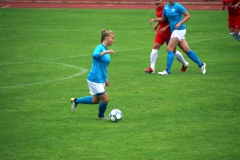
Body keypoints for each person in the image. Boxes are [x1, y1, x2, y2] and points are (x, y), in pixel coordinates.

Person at [149, 0, 206, 75]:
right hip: (174, 30)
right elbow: (163, 18)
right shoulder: (166, 7)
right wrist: (154, 20)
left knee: (169, 48)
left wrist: (180, 23)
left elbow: (188, 16)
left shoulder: (178, 6)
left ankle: (167, 71)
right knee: (186, 50)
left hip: (179, 30)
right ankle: (201, 65)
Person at [70, 29, 115, 119]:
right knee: (105, 100)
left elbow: (103, 66)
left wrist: (105, 78)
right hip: (95, 79)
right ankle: (101, 116)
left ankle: (75, 101)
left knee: (95, 100)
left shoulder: (106, 49)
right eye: (112, 38)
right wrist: (105, 52)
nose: (113, 40)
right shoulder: (99, 48)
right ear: (106, 38)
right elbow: (94, 55)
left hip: (101, 78)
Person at [144, 0, 189, 74]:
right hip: (161, 30)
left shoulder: (167, 7)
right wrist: (157, 25)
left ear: (162, 1)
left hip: (169, 31)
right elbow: (161, 18)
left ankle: (185, 63)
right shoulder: (157, 8)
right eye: (155, 1)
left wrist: (166, 27)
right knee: (155, 46)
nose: (156, 2)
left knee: (173, 51)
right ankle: (152, 68)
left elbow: (170, 20)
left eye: (158, 0)